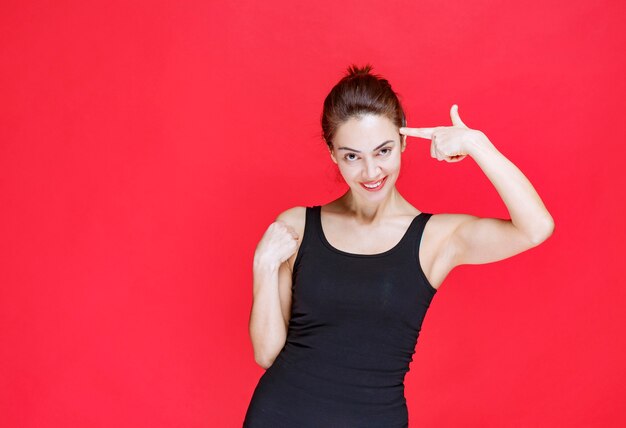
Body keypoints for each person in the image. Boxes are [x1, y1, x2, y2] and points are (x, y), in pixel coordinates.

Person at [243, 64, 554, 427]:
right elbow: (266, 354)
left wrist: (476, 144)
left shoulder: (436, 239)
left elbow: (536, 228)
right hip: (280, 415)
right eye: (352, 156)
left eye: (383, 151)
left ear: (404, 142)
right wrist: (263, 266)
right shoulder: (296, 225)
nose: (371, 171)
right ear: (333, 154)